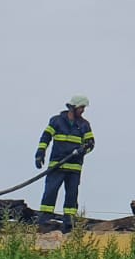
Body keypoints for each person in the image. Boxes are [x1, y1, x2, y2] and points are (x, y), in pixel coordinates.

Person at [35, 95, 95, 229]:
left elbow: (91, 144)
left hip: (74, 167)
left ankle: (69, 221)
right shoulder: (56, 121)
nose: (83, 110)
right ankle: (45, 218)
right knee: (50, 191)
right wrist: (40, 153)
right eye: (81, 108)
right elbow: (46, 137)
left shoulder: (84, 125)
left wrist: (83, 150)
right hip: (57, 165)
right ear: (73, 107)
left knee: (72, 194)